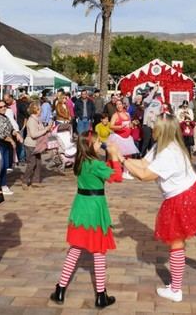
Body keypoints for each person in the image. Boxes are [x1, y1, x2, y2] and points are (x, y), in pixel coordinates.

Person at [119, 114, 196, 302]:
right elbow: (143, 163)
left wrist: (122, 160)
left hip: (182, 200)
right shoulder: (163, 146)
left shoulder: (168, 152)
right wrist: (124, 159)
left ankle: (176, 290)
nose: (152, 127)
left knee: (177, 242)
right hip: (192, 195)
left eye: (155, 125)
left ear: (162, 130)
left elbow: (144, 175)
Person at [50, 131, 118, 308]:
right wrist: (114, 156)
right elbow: (115, 176)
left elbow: (104, 171)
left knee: (75, 249)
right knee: (99, 251)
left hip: (80, 207)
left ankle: (60, 289)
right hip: (95, 209)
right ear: (90, 145)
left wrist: (108, 156)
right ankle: (101, 295)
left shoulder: (81, 162)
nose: (100, 144)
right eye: (97, 142)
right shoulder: (96, 164)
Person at [0, 100, 18, 195]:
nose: (3, 108)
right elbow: (1, 134)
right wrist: (12, 141)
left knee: (5, 165)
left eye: (4, 106)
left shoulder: (5, 117)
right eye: (1, 107)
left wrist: (16, 134)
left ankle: (3, 185)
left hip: (5, 145)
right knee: (0, 166)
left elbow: (11, 129)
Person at [23, 102, 52, 189]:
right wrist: (45, 130)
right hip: (30, 144)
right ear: (35, 110)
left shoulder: (38, 119)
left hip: (37, 144)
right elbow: (33, 134)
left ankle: (36, 181)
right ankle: (25, 181)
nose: (41, 111)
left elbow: (41, 129)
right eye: (40, 109)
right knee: (32, 163)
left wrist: (47, 128)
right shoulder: (31, 120)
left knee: (38, 163)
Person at [109, 100, 139, 179]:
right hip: (118, 137)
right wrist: (119, 127)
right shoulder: (115, 115)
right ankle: (117, 172)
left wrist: (133, 124)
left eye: (120, 104)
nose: (119, 106)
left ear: (123, 105)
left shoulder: (127, 114)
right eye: (117, 104)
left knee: (128, 155)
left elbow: (129, 125)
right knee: (118, 156)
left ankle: (126, 172)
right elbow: (111, 126)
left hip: (127, 138)